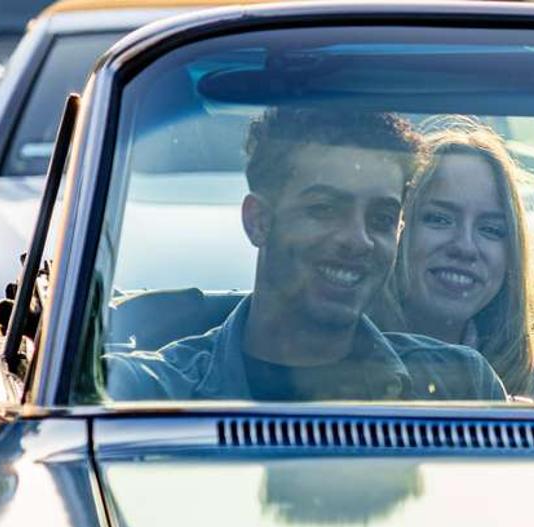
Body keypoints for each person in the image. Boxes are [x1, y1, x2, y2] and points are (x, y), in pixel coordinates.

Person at [103, 107, 506, 402]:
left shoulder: (460, 384)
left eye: (381, 218)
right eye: (324, 209)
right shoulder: (149, 393)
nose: (358, 240)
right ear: (258, 221)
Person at [372, 119, 534, 401]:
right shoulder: (342, 356)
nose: (465, 247)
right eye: (439, 219)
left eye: (491, 230)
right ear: (397, 228)